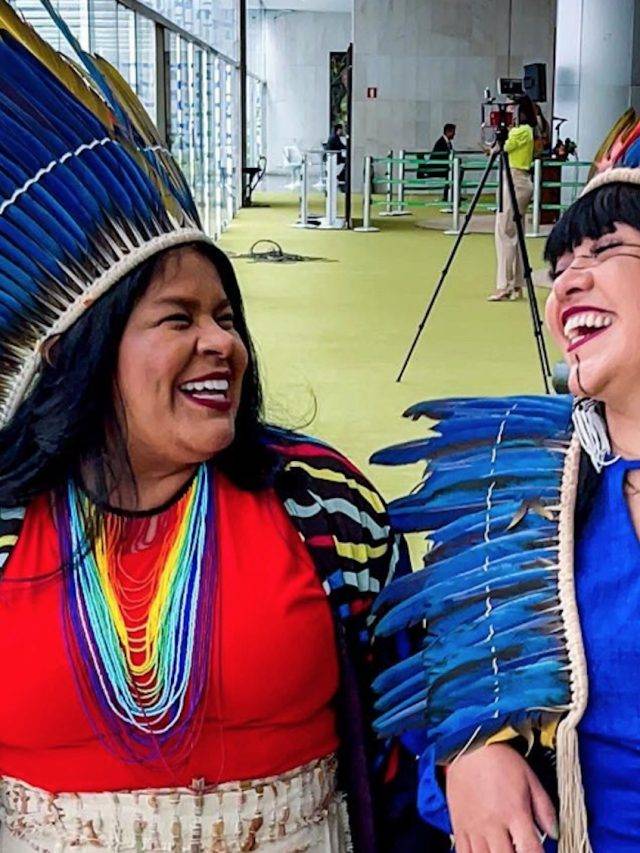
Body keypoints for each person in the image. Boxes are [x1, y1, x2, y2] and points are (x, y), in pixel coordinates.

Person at [0, 4, 442, 851]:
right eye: (179, 318)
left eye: (227, 316)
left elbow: (406, 715)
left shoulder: (323, 502)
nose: (223, 342)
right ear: (78, 355)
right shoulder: (11, 516)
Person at [371, 165, 640, 852]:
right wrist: (467, 753)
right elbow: (447, 688)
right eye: (560, 268)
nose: (566, 284)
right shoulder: (520, 489)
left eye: (604, 250)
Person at [488, 95, 537, 301]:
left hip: (515, 179)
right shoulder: (526, 130)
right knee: (516, 232)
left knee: (505, 231)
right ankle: (516, 283)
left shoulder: (520, 131)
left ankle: (505, 284)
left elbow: (502, 147)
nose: (507, 112)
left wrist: (499, 137)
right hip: (518, 179)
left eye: (510, 108)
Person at [417, 123, 456, 201]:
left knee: (455, 172)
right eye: (453, 132)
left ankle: (452, 195)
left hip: (441, 166)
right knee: (454, 173)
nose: (454, 134)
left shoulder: (447, 142)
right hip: (437, 167)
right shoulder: (441, 143)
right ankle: (450, 195)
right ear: (448, 132)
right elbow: (441, 157)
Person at [326, 122, 347, 188]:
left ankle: (340, 176)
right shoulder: (335, 137)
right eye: (341, 130)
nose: (342, 131)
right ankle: (340, 176)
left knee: (347, 161)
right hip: (335, 158)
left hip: (334, 157)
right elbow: (340, 146)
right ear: (339, 129)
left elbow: (341, 146)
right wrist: (347, 148)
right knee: (348, 161)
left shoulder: (333, 136)